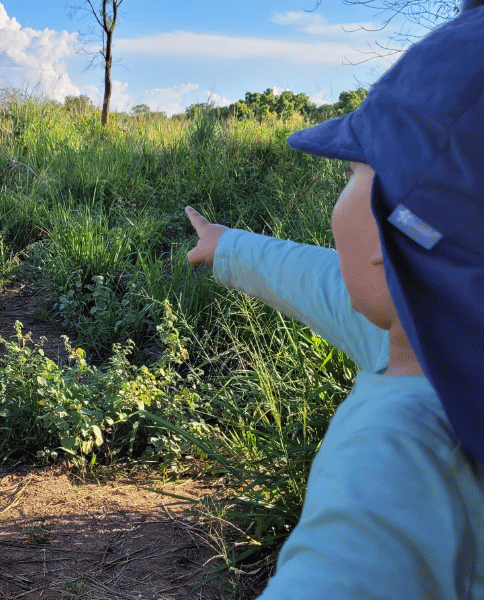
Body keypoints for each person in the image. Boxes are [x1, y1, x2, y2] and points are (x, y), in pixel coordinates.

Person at [185, 4, 484, 598]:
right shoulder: (440, 335)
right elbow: (321, 282)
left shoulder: (397, 457)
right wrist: (229, 248)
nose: (340, 194)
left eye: (351, 174)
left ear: (393, 240)